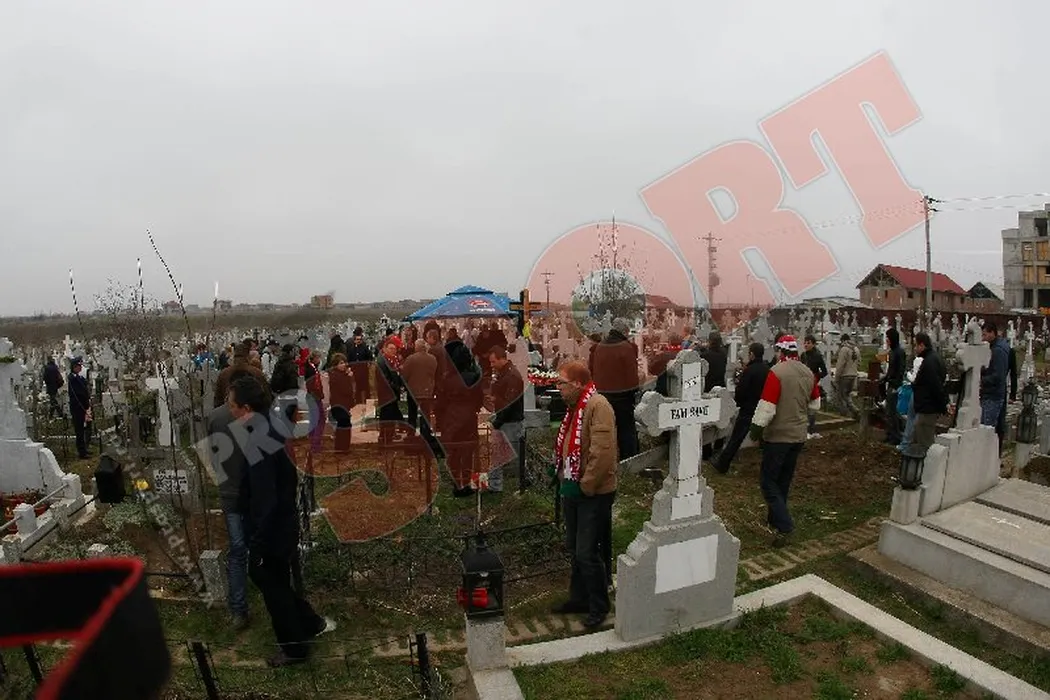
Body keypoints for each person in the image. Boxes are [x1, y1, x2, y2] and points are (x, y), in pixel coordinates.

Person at [227, 376, 334, 667]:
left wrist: (258, 544)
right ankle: (310, 623)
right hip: (283, 523)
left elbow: (266, 499)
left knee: (271, 586)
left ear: (245, 408)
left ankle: (294, 649)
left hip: (272, 530)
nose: (229, 409)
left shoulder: (259, 440)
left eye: (232, 404)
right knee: (278, 582)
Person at [549, 360, 617, 629]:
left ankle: (598, 606)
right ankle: (579, 598)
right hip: (574, 487)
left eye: (562, 383)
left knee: (588, 551)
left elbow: (602, 452)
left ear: (577, 384)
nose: (558, 387)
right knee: (575, 548)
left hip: (593, 492)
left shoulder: (598, 406)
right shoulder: (575, 407)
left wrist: (586, 485)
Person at [749, 336, 821, 547]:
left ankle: (785, 525)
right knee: (783, 480)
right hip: (798, 435)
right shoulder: (807, 372)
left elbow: (767, 407)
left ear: (781, 351)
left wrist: (755, 431)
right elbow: (815, 404)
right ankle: (774, 519)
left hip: (779, 435)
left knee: (768, 482)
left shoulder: (777, 372)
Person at [206, 368, 258, 631]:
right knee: (258, 545)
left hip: (229, 492)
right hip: (255, 492)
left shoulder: (214, 417)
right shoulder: (256, 415)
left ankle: (238, 609)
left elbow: (213, 458)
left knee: (237, 550)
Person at [712, 343, 769, 475]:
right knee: (765, 438)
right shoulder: (767, 370)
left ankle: (722, 464)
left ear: (752, 354)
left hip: (748, 408)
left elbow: (741, 390)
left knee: (736, 438)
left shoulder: (750, 370)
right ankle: (767, 467)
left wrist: (739, 402)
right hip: (762, 407)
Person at [590, 319, 639, 459]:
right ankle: (629, 460)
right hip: (622, 396)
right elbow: (631, 375)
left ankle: (605, 459)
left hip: (602, 395)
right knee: (626, 430)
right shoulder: (625, 347)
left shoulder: (600, 346)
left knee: (605, 430)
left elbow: (592, 369)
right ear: (624, 332)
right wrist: (635, 392)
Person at [440, 340, 484, 496]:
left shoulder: (447, 379)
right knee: (467, 450)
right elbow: (479, 398)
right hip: (469, 416)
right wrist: (474, 408)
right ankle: (464, 482)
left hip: (452, 416)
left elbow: (442, 401)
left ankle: (456, 482)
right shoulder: (473, 377)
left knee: (454, 450)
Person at [488, 346, 524, 494]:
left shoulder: (512, 376)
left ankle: (523, 481)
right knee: (497, 454)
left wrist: (496, 423)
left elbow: (509, 404)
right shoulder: (503, 374)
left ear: (502, 359)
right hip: (505, 419)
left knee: (511, 455)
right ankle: (495, 485)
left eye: (493, 361)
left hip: (510, 421)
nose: (491, 365)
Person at [910, 332, 947, 453]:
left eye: (916, 345)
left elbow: (935, 386)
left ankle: (927, 461)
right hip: (928, 406)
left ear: (922, 345)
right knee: (921, 434)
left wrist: (943, 405)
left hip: (927, 408)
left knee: (925, 441)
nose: (915, 348)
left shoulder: (929, 362)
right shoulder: (933, 358)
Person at [979, 322, 1009, 452]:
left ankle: (987, 453)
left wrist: (982, 381)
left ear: (992, 333)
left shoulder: (998, 351)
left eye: (984, 334)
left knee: (987, 428)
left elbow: (998, 375)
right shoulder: (994, 347)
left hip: (993, 395)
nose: (983, 338)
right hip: (990, 393)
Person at [880, 328, 907, 445]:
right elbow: (890, 370)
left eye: (888, 337)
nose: (886, 340)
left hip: (895, 385)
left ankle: (895, 436)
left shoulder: (899, 352)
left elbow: (900, 370)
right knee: (889, 411)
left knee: (891, 412)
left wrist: (895, 384)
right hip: (890, 383)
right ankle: (890, 434)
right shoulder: (892, 352)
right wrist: (885, 379)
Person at [327, 353, 356, 453]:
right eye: (341, 363)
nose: (344, 365)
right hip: (340, 404)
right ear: (336, 364)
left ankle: (341, 447)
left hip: (341, 404)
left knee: (342, 425)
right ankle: (343, 447)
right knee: (344, 424)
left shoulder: (337, 374)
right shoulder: (338, 376)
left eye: (344, 363)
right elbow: (347, 390)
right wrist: (349, 378)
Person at [800, 336, 828, 437]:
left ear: (813, 344)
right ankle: (803, 428)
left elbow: (824, 371)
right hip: (803, 383)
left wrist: (816, 377)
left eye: (808, 343)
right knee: (802, 406)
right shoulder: (803, 355)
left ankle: (811, 429)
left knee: (811, 407)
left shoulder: (817, 356)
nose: (806, 345)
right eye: (805, 343)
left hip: (812, 384)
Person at [68, 357, 92, 459]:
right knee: (79, 430)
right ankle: (81, 452)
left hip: (84, 407)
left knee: (84, 428)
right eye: (78, 366)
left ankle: (85, 448)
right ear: (74, 367)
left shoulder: (79, 378)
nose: (80, 368)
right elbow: (78, 394)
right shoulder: (72, 379)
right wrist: (84, 404)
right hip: (78, 408)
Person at [834, 333, 860, 419]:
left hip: (844, 376)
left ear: (843, 340)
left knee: (841, 396)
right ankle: (854, 411)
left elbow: (840, 365)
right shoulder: (856, 349)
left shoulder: (844, 349)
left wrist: (836, 377)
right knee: (847, 395)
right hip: (853, 375)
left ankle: (845, 414)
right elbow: (859, 362)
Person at [345, 329, 374, 406]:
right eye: (357, 339)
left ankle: (368, 403)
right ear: (354, 340)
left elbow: (370, 357)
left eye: (360, 339)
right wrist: (349, 367)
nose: (359, 341)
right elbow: (349, 359)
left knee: (366, 387)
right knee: (357, 387)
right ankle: (358, 403)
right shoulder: (351, 349)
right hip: (355, 371)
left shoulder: (365, 348)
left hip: (364, 371)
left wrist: (369, 364)